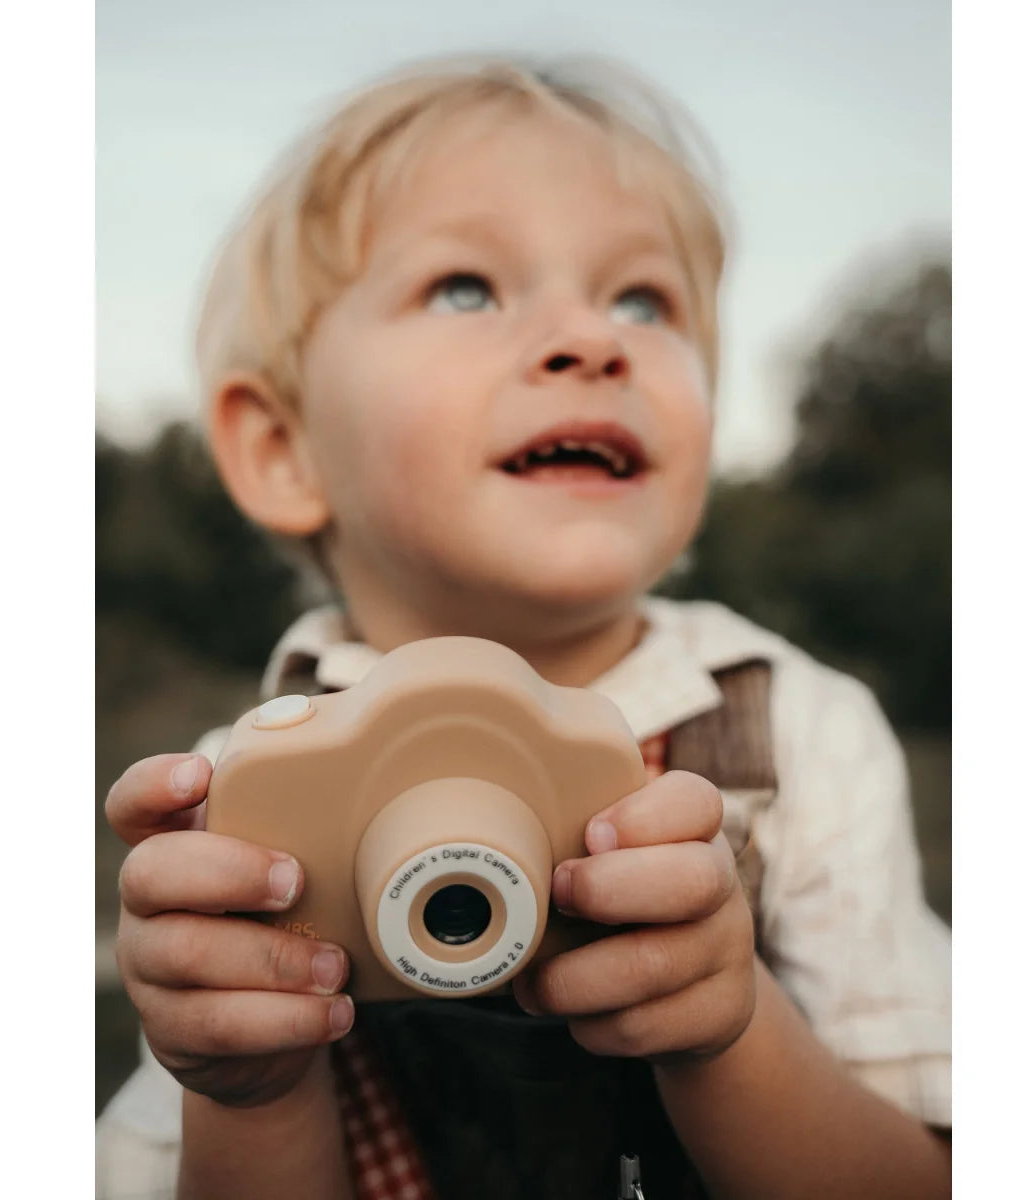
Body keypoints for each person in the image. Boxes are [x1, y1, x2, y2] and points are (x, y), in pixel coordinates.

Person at [97, 55, 952, 1199]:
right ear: (283, 449)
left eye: (642, 301)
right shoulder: (242, 804)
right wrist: (249, 1088)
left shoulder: (796, 735)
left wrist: (728, 1035)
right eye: (467, 287)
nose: (590, 342)